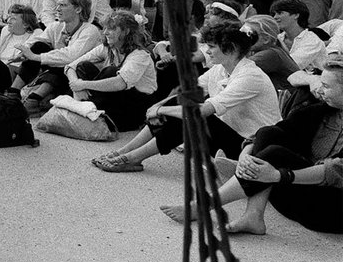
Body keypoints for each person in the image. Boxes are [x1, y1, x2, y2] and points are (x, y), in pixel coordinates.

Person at [161, 60, 343, 235]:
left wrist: (279, 175)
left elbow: (336, 170)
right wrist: (245, 155)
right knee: (269, 134)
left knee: (275, 154)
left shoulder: (253, 71)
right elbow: (272, 131)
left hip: (330, 211)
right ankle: (253, 214)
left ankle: (205, 204)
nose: (319, 89)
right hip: (298, 193)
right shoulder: (322, 111)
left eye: (326, 86)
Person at [94, 22, 280, 172]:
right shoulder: (221, 68)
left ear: (230, 49)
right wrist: (160, 104)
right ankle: (125, 151)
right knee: (181, 104)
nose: (207, 51)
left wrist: (160, 109)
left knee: (194, 117)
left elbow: (203, 110)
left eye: (212, 47)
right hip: (229, 136)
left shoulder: (250, 76)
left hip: (252, 148)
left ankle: (131, 158)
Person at [65, 10, 157, 130]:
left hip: (135, 106)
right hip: (114, 99)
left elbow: (120, 83)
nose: (105, 33)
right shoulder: (107, 48)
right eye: (105, 28)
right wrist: (77, 86)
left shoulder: (140, 55)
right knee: (83, 66)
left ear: (126, 31)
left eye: (111, 29)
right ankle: (84, 108)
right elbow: (70, 66)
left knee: (111, 72)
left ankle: (84, 109)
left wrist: (83, 84)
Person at [15, 0, 103, 108]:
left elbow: (70, 56)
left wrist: (35, 57)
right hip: (59, 75)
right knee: (39, 46)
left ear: (78, 9)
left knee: (62, 61)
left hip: (80, 79)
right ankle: (13, 92)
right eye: (57, 5)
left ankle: (35, 98)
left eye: (63, 5)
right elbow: (37, 40)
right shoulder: (56, 26)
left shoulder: (90, 30)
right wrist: (25, 51)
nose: (57, 9)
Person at [243, 15, 300, 93]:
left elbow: (236, 69)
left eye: (249, 34)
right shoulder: (271, 51)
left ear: (266, 39)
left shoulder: (270, 54)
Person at [271, 0, 326, 72]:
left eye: (280, 13)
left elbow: (291, 66)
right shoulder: (277, 38)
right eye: (274, 14)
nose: (275, 17)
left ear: (296, 15)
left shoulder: (312, 41)